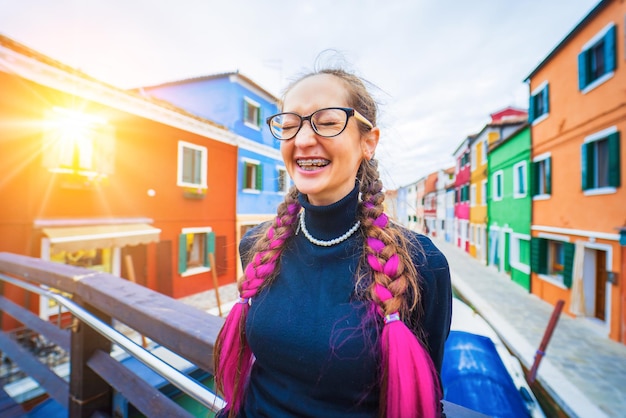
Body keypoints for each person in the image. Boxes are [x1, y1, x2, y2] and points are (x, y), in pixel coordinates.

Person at [214, 67, 452, 418]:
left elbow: (425, 400)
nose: (303, 139)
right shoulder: (256, 244)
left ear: (367, 142)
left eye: (326, 122)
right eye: (290, 124)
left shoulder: (422, 264)